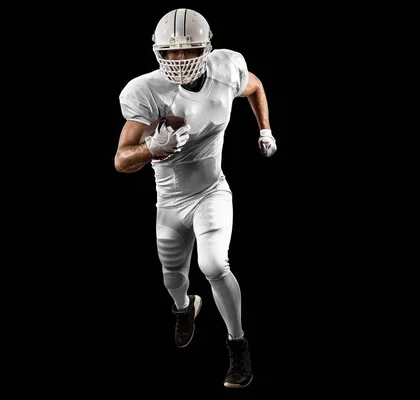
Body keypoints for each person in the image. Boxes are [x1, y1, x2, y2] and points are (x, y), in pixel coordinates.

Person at [114, 8, 277, 389]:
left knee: (215, 264)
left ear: (207, 49)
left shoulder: (226, 69)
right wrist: (151, 149)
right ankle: (185, 308)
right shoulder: (147, 90)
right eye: (170, 53)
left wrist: (266, 129)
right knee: (173, 275)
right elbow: (121, 159)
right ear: (158, 52)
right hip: (170, 201)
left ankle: (238, 345)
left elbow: (253, 86)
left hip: (211, 191)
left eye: (187, 52)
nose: (178, 60)